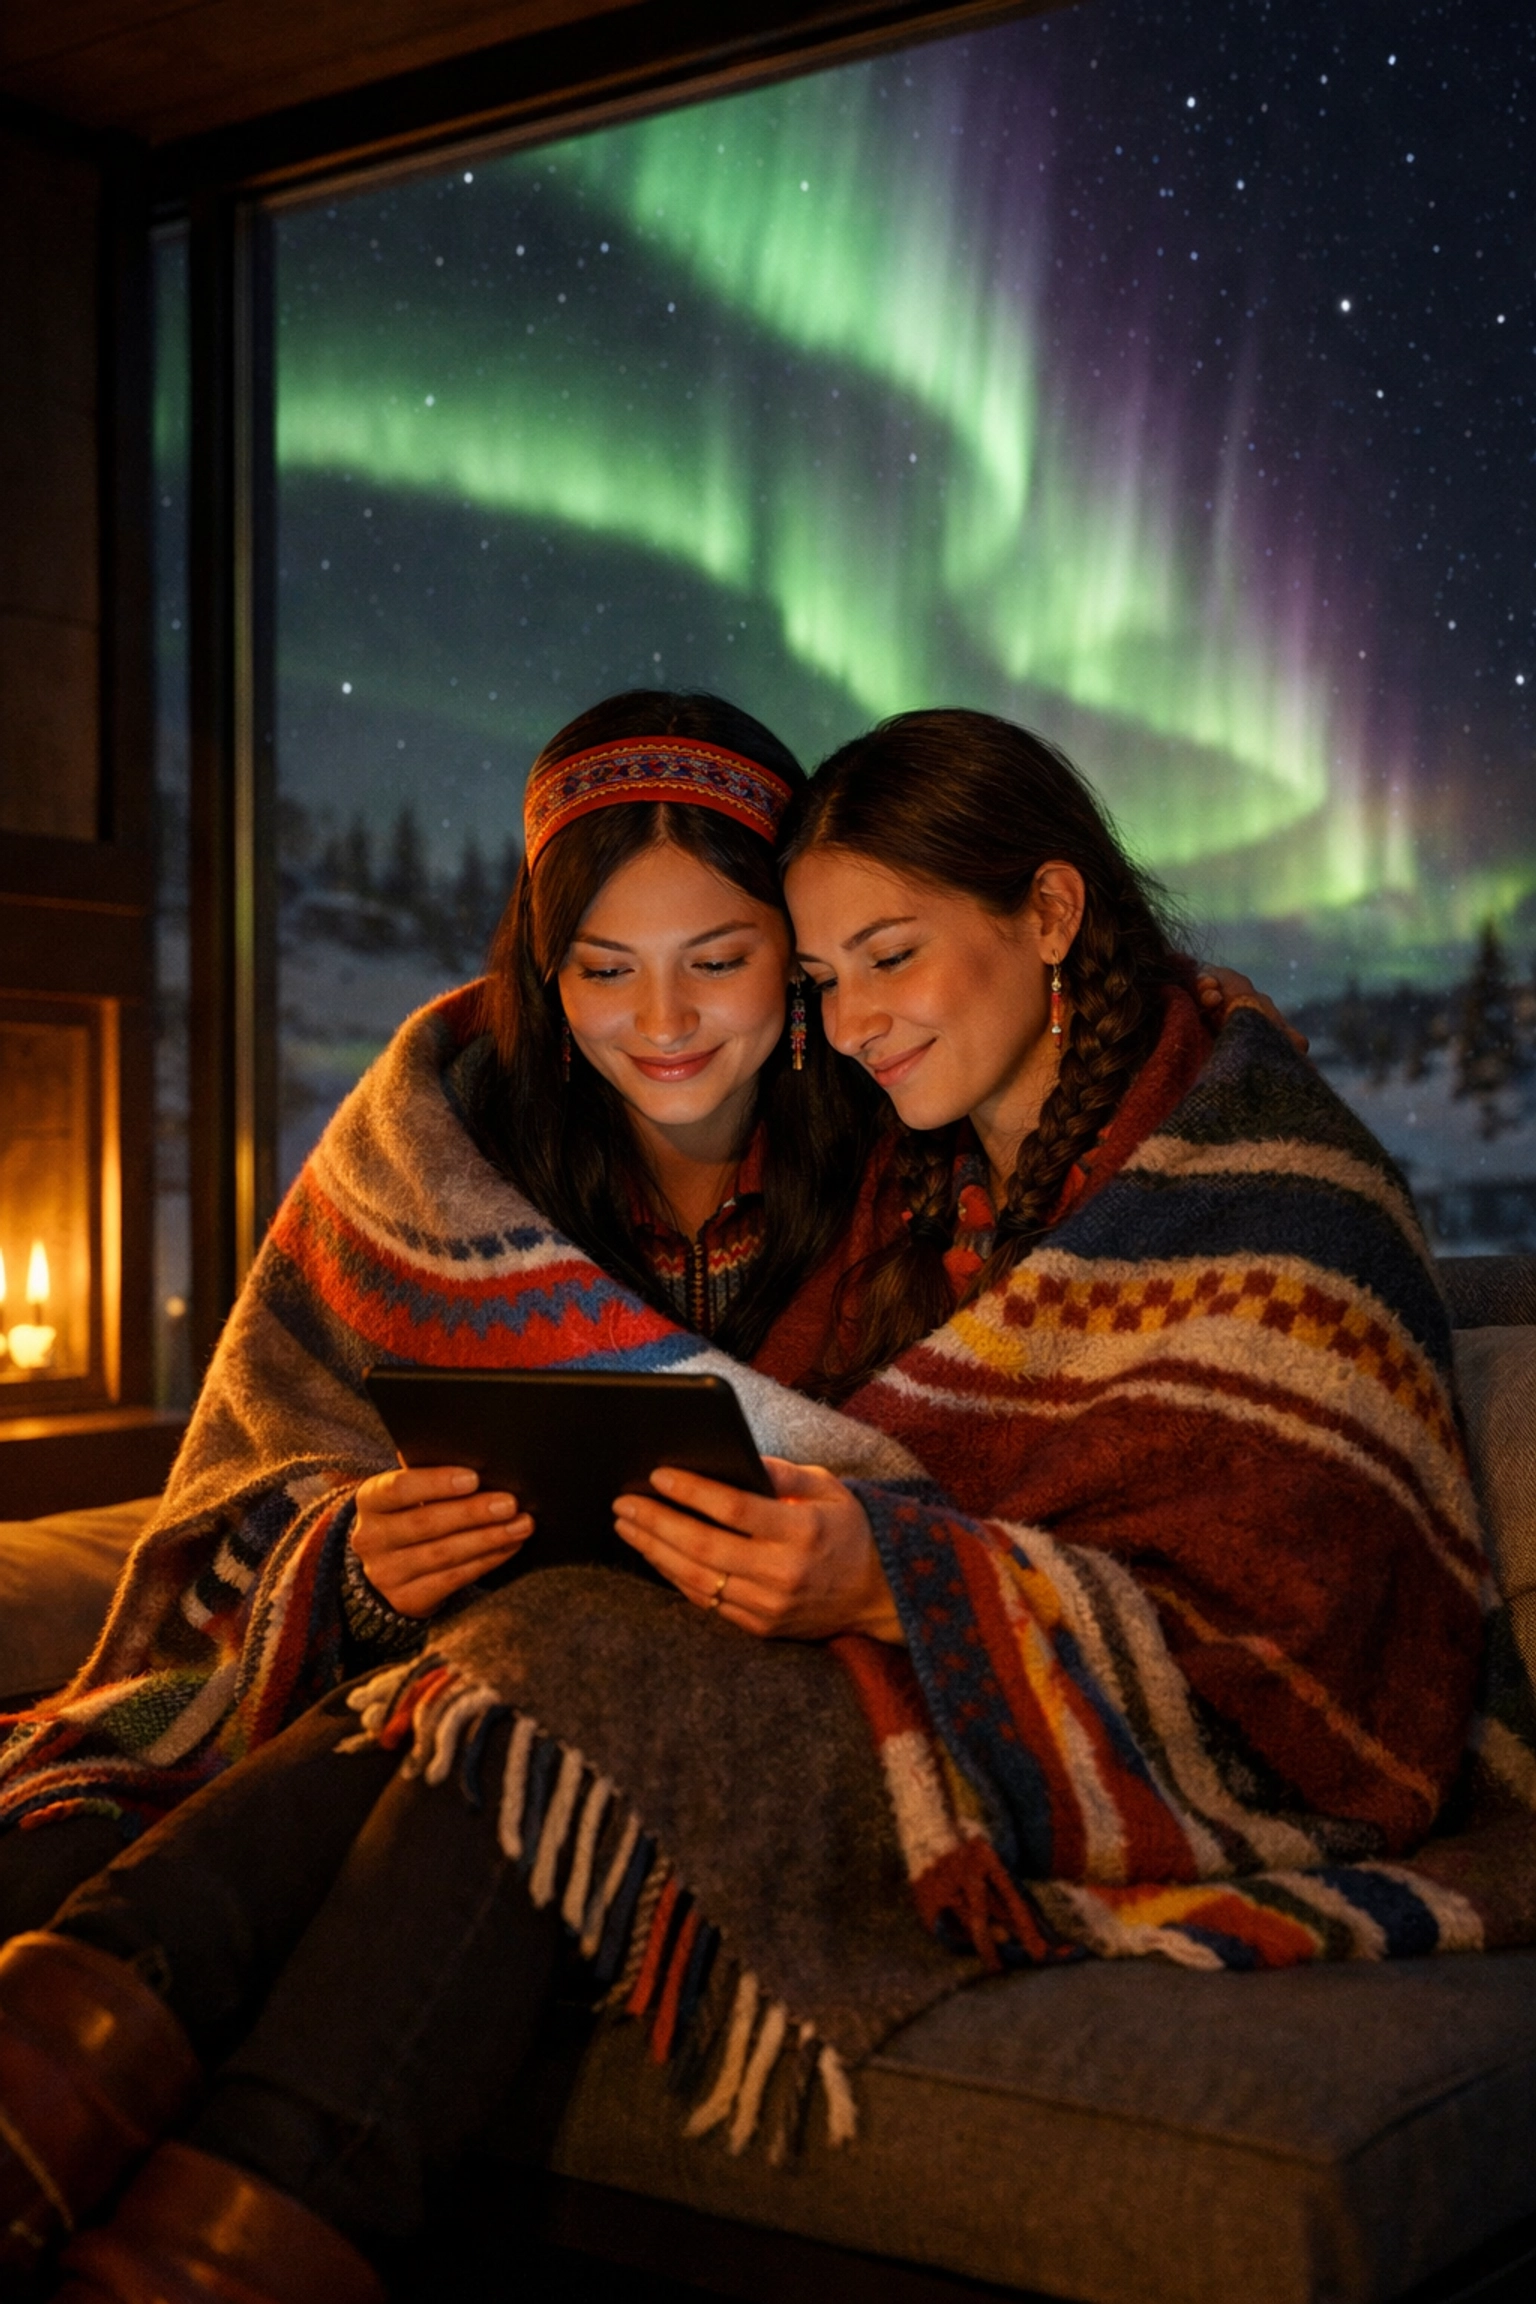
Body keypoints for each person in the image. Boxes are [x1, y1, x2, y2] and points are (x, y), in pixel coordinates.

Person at [0, 707, 1356, 2302]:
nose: (662, 1023)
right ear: (540, 965)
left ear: (793, 956)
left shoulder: (910, 1151)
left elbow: (1072, 1484)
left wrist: (883, 1574)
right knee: (96, 1837)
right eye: (602, 968)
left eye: (721, 958)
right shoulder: (450, 1140)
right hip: (444, 1671)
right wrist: (355, 1557)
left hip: (688, 1695)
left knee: (558, 1674)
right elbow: (259, 1457)